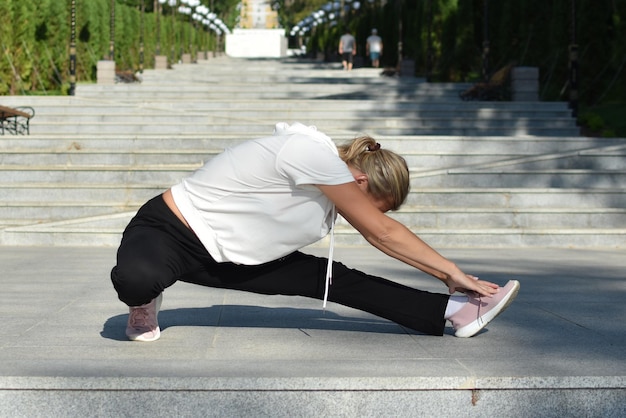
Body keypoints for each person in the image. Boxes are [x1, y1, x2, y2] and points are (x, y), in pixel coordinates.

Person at [111, 122, 520, 342]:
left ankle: (457, 311)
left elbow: (379, 231)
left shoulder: (331, 181)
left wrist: (451, 286)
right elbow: (382, 233)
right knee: (137, 278)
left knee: (334, 279)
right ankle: (144, 300)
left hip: (238, 258)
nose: (369, 214)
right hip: (171, 230)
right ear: (361, 183)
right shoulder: (307, 152)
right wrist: (451, 272)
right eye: (382, 205)